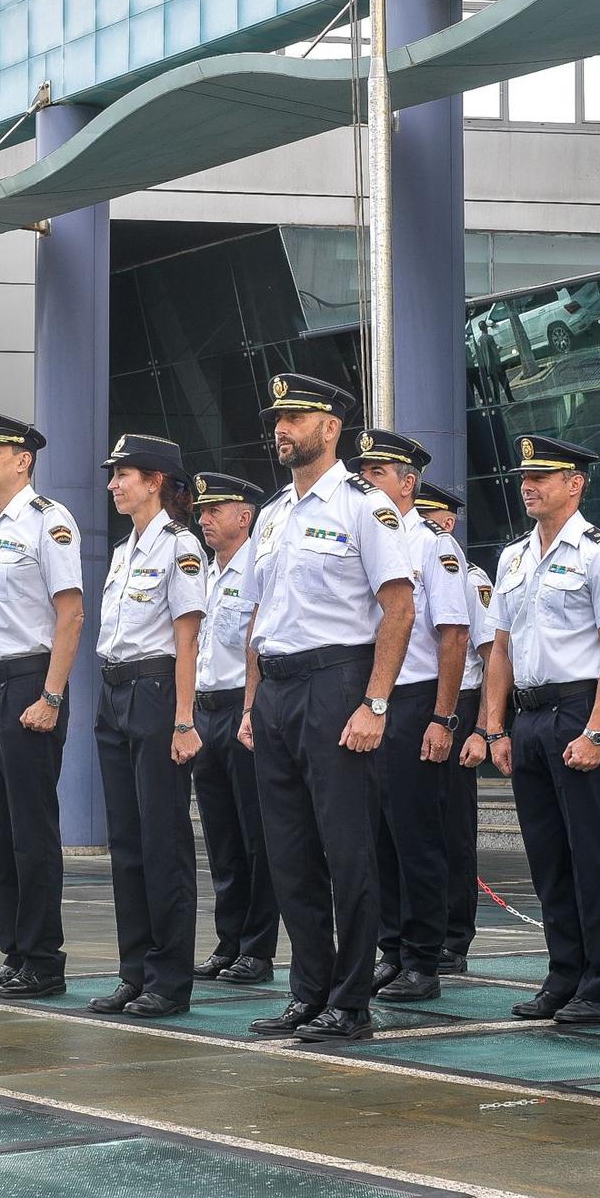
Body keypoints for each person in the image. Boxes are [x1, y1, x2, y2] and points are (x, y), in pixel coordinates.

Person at [238, 374, 415, 1042]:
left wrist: (375, 702)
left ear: (331, 427)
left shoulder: (365, 506)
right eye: (276, 417)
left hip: (338, 682)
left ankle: (351, 1003)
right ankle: (307, 991)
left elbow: (399, 607)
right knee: (288, 853)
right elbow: (260, 615)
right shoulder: (276, 513)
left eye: (295, 416)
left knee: (347, 854)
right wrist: (253, 703)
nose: (282, 428)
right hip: (279, 689)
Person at [462, 435, 600, 1026]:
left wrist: (595, 732)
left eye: (543, 477)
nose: (528, 486)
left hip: (577, 711)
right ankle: (563, 974)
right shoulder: (512, 559)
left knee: (590, 855)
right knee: (546, 858)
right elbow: (501, 651)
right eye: (524, 478)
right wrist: (494, 727)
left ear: (575, 483)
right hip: (530, 717)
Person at [0, 411, 85, 997]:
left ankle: (42, 958)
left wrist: (51, 695)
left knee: (31, 831)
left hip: (28, 685)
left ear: (23, 459)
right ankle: (13, 952)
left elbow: (70, 613)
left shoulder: (47, 522)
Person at [91, 434, 207, 1018]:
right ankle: (133, 970)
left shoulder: (180, 547)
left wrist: (185, 720)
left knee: (163, 842)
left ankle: (169, 978)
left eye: (124, 475)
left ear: (156, 480)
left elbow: (187, 639)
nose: (114, 484)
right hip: (114, 692)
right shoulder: (124, 549)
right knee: (126, 843)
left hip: (157, 693)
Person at [352, 431, 469, 1004]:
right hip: (369, 699)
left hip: (417, 698)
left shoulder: (433, 545)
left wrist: (444, 718)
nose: (368, 480)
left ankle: (424, 957)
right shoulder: (367, 537)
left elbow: (453, 635)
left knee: (417, 834)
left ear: (408, 482)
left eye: (380, 472)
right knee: (377, 836)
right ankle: (392, 948)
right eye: (364, 471)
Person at [191, 471, 279, 985]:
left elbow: (258, 649)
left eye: (215, 510)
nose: (204, 519)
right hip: (205, 710)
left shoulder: (257, 569)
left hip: (243, 710)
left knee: (255, 835)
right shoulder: (205, 571)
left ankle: (257, 947)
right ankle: (229, 940)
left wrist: (250, 710)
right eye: (202, 512)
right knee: (221, 835)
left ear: (243, 516)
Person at [416, 481, 493, 973]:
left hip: (459, 704)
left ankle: (453, 936)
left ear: (448, 521)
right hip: (416, 700)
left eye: (430, 515)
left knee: (452, 829)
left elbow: (490, 656)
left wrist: (483, 729)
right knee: (413, 824)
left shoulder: (467, 575)